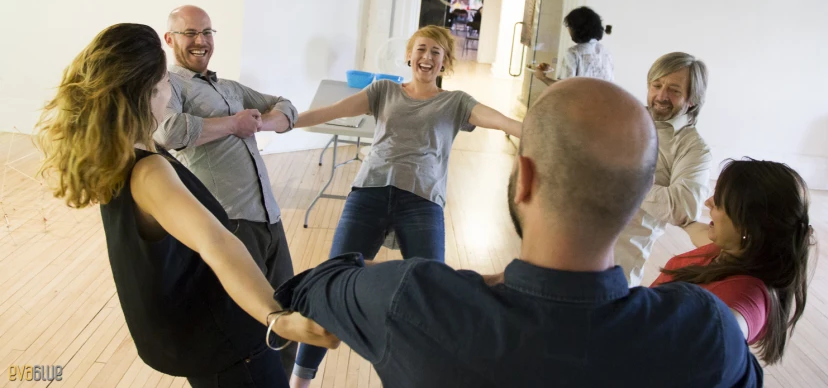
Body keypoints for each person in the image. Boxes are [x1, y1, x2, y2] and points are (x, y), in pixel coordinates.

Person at [276, 78, 763, 387]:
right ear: (636, 199)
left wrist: (488, 281)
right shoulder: (704, 333)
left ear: (525, 180)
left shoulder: (414, 299)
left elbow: (315, 284)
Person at [35, 23, 338, 388]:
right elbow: (217, 242)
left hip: (200, 337)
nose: (169, 90)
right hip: (225, 342)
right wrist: (276, 316)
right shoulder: (149, 172)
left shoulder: (117, 158)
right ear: (147, 90)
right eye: (164, 82)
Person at [289, 25, 522, 386]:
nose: (427, 58)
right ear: (409, 55)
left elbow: (501, 121)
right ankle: (300, 380)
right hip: (369, 192)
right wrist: (282, 121)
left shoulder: (455, 101)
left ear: (445, 63)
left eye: (436, 53)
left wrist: (536, 131)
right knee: (330, 283)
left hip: (422, 201)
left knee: (432, 295)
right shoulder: (384, 90)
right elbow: (332, 110)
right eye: (422, 50)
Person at [152, 5, 300, 373]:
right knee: (245, 324)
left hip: (270, 218)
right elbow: (167, 132)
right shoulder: (170, 86)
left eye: (207, 32)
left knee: (288, 314)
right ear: (170, 39)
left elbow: (287, 107)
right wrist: (234, 124)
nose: (201, 41)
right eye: (190, 33)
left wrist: (260, 123)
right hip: (231, 223)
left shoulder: (231, 87)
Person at [652, 158, 814, 365]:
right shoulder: (736, 252)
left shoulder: (746, 297)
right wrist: (683, 219)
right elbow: (698, 232)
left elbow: (728, 330)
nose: (708, 202)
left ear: (747, 226)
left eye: (719, 201)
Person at [614, 52, 712, 285]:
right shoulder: (623, 117)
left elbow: (683, 208)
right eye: (656, 85)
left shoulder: (693, 148)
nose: (661, 95)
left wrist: (624, 179)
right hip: (573, 238)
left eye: (674, 90)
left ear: (692, 99)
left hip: (619, 258)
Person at [534, 6, 613, 84]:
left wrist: (543, 78)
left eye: (569, 26)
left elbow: (564, 88)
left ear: (576, 29)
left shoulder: (573, 53)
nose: (568, 30)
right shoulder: (606, 52)